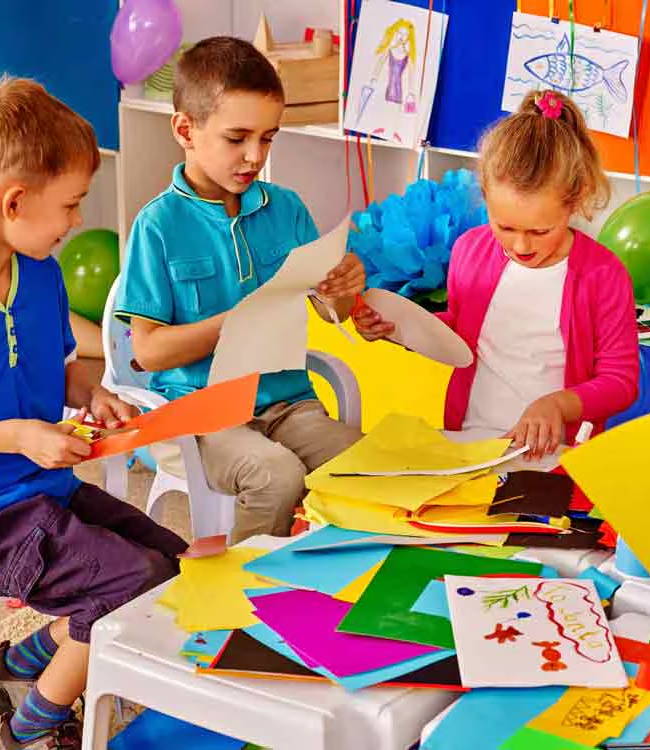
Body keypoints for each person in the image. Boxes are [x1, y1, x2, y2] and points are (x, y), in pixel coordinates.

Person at [0, 78, 188, 749]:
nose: (79, 222)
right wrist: (18, 434)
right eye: (72, 206)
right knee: (125, 580)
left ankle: (27, 658)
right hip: (5, 513)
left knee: (175, 565)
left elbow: (57, 365)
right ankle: (30, 728)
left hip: (50, 486)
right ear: (15, 202)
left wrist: (90, 391)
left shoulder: (41, 272)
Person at [116, 37, 364, 543]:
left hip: (289, 402)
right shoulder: (157, 226)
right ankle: (243, 599)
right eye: (237, 138)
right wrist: (235, 321)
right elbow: (149, 350)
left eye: (268, 138)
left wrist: (342, 288)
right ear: (186, 130)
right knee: (277, 476)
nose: (255, 156)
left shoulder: (286, 208)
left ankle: (331, 583)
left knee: (365, 462)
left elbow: (331, 309)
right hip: (202, 414)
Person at [354, 90, 639, 458]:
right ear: (485, 195)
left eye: (540, 231)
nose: (521, 246)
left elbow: (621, 381)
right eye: (505, 227)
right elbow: (462, 329)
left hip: (557, 453)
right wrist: (398, 327)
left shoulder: (602, 274)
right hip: (470, 440)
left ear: (576, 199)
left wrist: (558, 404)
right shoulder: (471, 249)